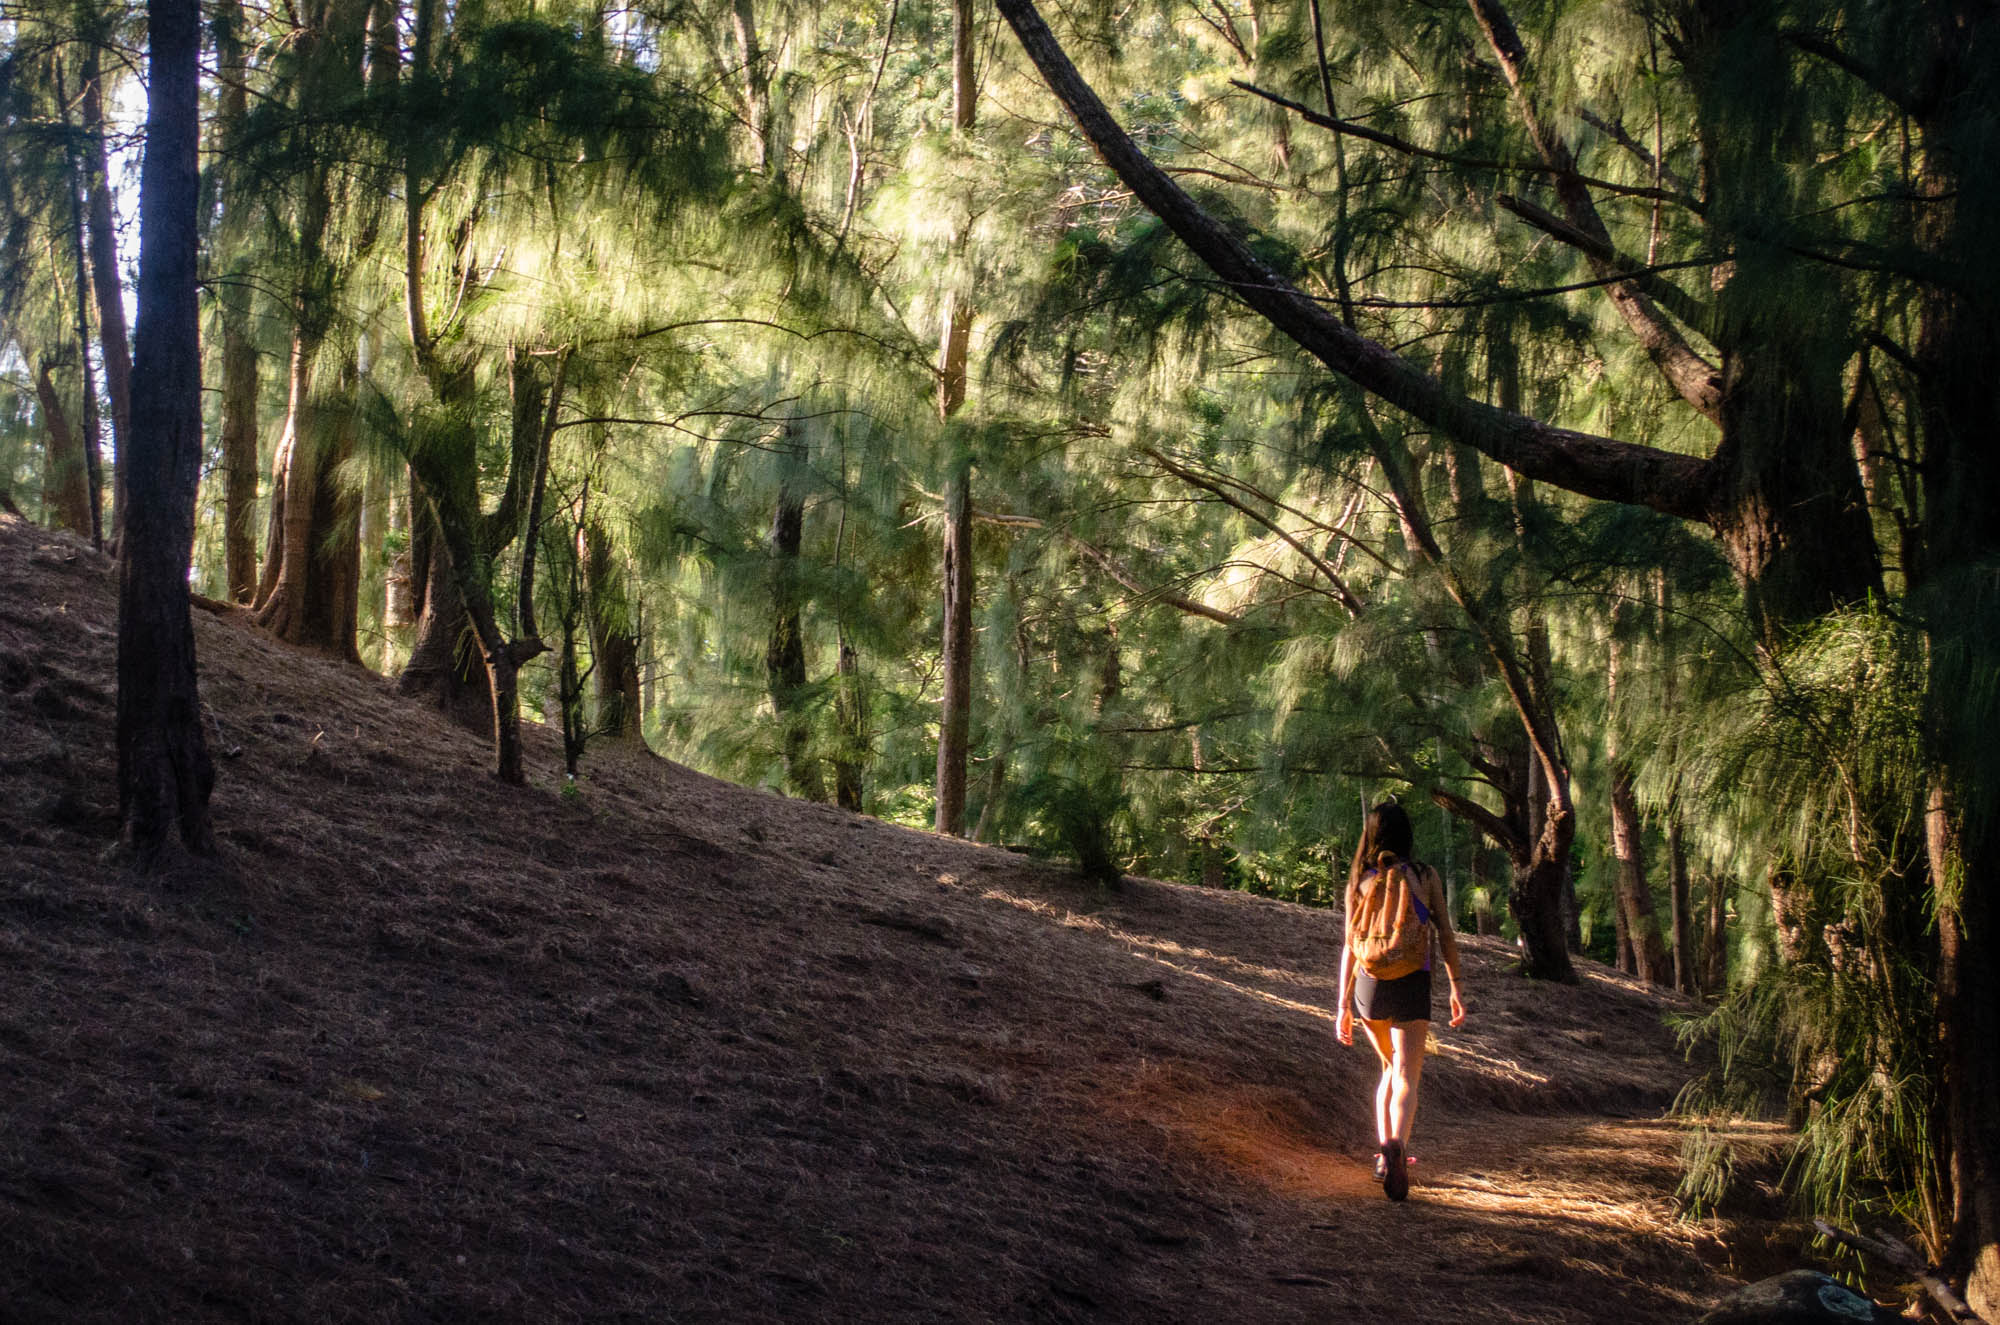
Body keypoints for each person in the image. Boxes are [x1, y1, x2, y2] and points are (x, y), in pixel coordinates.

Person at [1335, 800, 1466, 1201]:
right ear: (1408, 834)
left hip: (1370, 987)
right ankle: (1398, 1146)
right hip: (1413, 980)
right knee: (1407, 1073)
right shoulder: (1424, 875)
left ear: (1370, 834)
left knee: (1388, 1065)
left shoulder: (1359, 879)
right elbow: (1444, 934)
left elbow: (1350, 947)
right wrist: (1457, 986)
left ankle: (1382, 1155)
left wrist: (1342, 1005)